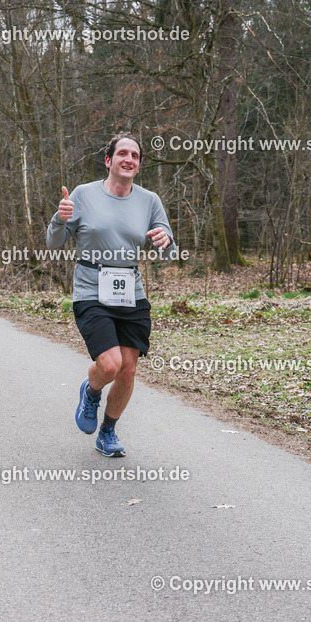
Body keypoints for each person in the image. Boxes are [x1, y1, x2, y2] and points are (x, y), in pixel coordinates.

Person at [46, 131, 177, 456]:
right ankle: (91, 392)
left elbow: (169, 253)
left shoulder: (150, 200)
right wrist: (59, 219)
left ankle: (108, 432)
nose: (129, 159)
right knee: (110, 365)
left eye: (135, 156)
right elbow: (54, 242)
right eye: (123, 154)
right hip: (91, 289)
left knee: (128, 368)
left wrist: (167, 242)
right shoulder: (84, 195)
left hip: (130, 291)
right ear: (109, 160)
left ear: (139, 164)